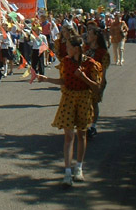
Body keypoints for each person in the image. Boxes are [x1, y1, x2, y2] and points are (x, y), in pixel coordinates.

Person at [37, 35, 102, 187]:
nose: (66, 49)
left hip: (84, 99)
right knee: (68, 136)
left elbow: (97, 87)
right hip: (68, 98)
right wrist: (46, 79)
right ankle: (67, 171)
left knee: (82, 134)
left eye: (68, 47)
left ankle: (78, 168)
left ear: (76, 48)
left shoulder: (90, 64)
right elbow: (64, 81)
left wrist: (84, 77)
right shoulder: (66, 62)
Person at [85, 27, 111, 138]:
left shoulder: (102, 52)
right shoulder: (85, 48)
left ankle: (93, 126)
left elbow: (103, 69)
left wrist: (101, 83)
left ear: (95, 36)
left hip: (96, 80)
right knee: (85, 103)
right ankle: (86, 125)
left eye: (90, 34)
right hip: (84, 78)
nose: (87, 36)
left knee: (94, 103)